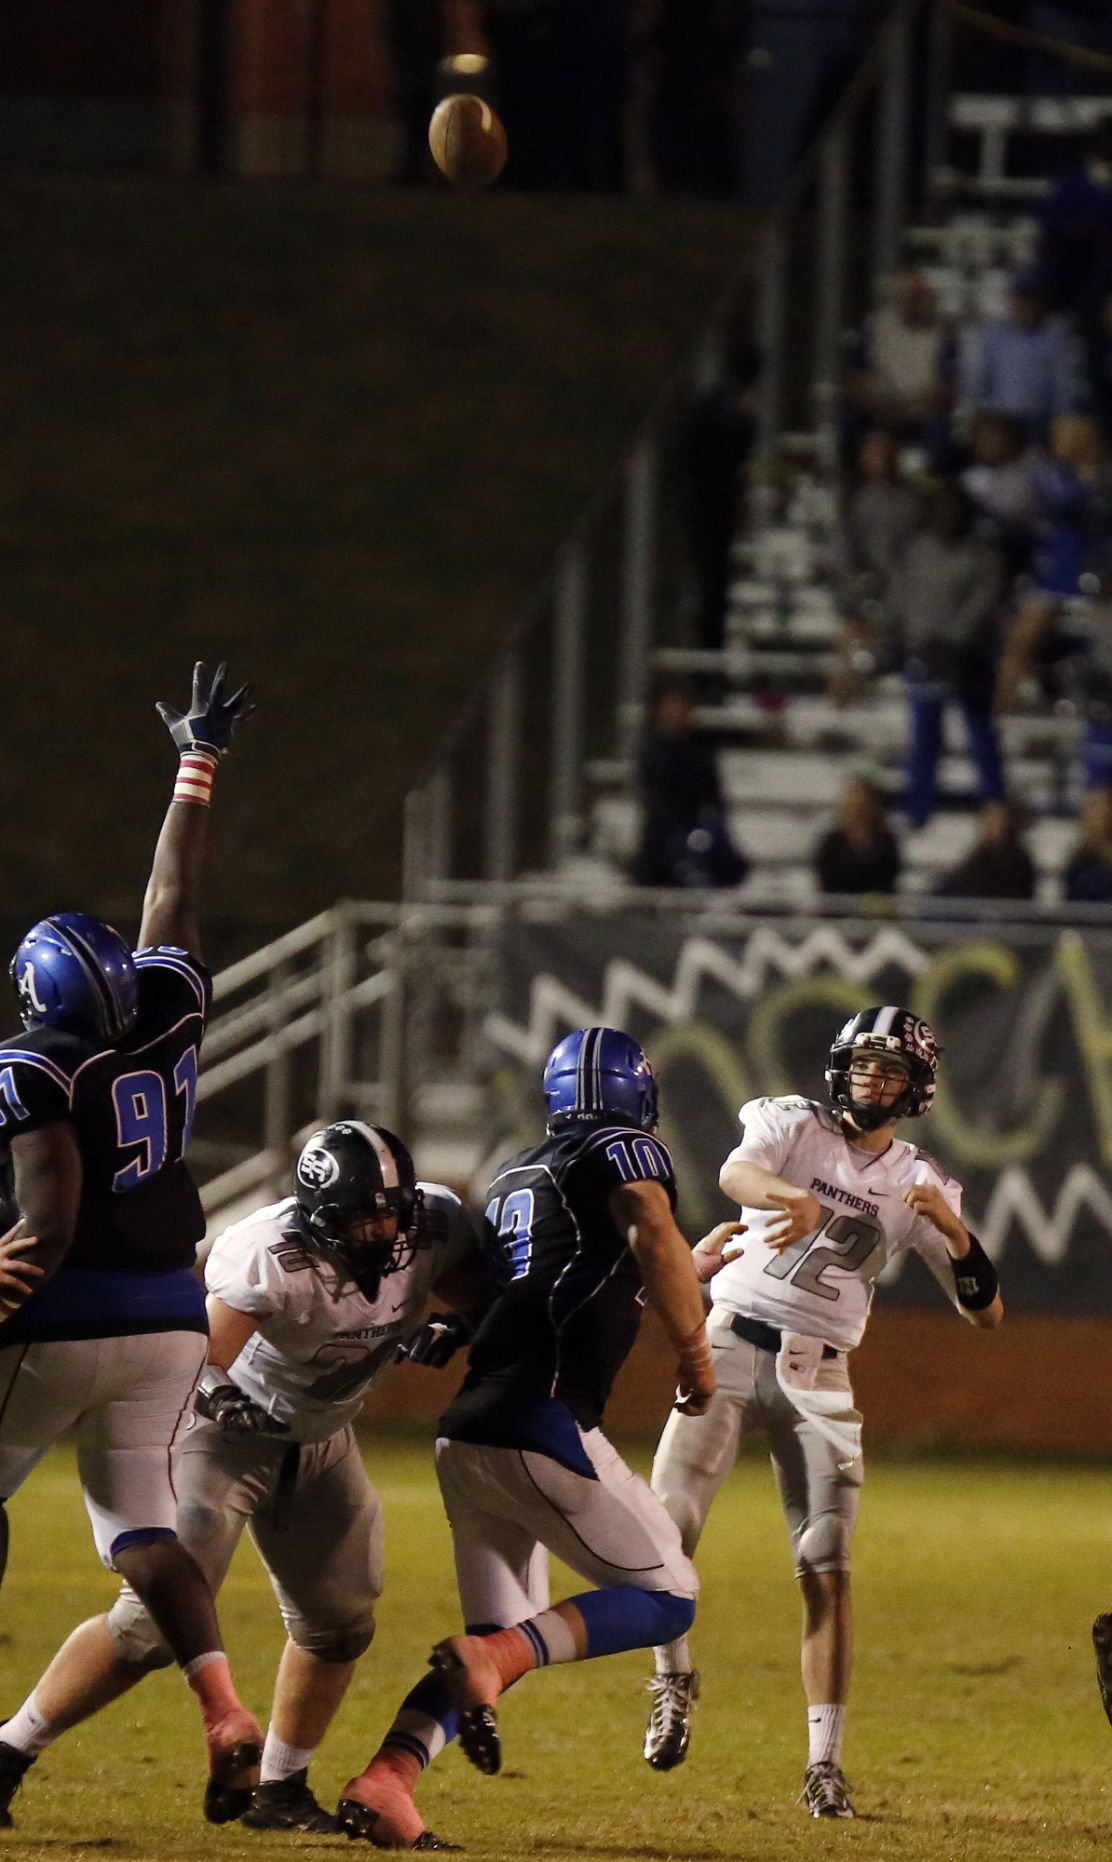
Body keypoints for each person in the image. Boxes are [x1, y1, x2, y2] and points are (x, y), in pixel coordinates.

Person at [0, 1120, 488, 1834]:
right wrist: (224, 1397)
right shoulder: (270, 1252)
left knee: (340, 1624)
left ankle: (280, 1791)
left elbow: (487, 1298)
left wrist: (461, 1327)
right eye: (364, 1219)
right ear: (319, 1220)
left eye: (394, 1212)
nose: (384, 1232)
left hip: (321, 1436)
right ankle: (11, 1749)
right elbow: (201, 1358)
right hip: (223, 1438)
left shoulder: (436, 1222)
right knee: (150, 1630)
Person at [336, 1026, 741, 1849]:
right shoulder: (624, 1150)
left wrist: (686, 1270)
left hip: (470, 1433)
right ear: (639, 1098)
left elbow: (560, 1274)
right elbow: (644, 1227)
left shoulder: (520, 1170)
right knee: (669, 1598)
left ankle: (388, 1781)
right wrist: (696, 1351)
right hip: (540, 1423)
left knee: (499, 1642)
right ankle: (485, 1672)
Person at [0, 662, 262, 1824]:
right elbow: (171, 900)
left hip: (65, 1310)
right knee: (146, 1530)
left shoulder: (38, 1062)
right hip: (169, 1310)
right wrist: (193, 768)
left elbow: (46, 1223)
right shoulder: (167, 1014)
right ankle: (221, 1704)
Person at [641, 1007, 1002, 1819]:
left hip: (822, 1374)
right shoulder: (789, 1123)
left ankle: (824, 1763)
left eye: (892, 1069)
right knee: (664, 1540)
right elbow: (738, 1174)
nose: (874, 1079)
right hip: (727, 1344)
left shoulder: (920, 1181)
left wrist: (956, 1232)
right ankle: (672, 1679)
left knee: (827, 1566)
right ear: (841, 1065)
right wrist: (783, 1196)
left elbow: (985, 1313)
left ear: (916, 1088)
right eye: (864, 1063)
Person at [888, 480, 1007, 829]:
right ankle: (918, 809)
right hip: (923, 655)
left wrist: (953, 641)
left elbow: (982, 602)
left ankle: (995, 805)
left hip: (968, 658)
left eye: (954, 510)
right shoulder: (916, 550)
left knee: (980, 733)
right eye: (941, 510)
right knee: (925, 736)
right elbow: (901, 595)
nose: (947, 517)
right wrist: (907, 635)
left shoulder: (983, 555)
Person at [633, 682, 748, 889]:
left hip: (696, 836)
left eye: (682, 709)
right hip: (661, 840)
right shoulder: (652, 754)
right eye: (671, 709)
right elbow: (658, 800)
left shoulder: (700, 753)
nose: (677, 715)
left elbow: (713, 798)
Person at [960, 270, 1083, 441]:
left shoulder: (1056, 335)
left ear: (1040, 301)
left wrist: (1063, 419)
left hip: (1041, 419)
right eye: (1019, 298)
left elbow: (1064, 389)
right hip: (1002, 419)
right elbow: (980, 381)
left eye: (1029, 298)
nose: (1024, 304)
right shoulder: (995, 335)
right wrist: (983, 411)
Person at [813, 771, 901, 898]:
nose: (853, 802)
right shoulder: (832, 842)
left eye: (858, 795)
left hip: (874, 911)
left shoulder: (886, 842)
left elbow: (887, 880)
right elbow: (827, 881)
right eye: (851, 795)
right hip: (837, 909)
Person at [934, 799, 1036, 903]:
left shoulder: (1018, 861)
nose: (988, 825)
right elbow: (959, 883)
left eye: (996, 820)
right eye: (988, 820)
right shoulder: (979, 855)